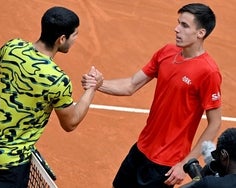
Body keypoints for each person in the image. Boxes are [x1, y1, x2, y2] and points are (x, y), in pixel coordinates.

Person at [82, 3, 221, 188]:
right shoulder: (166, 52)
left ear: (201, 33)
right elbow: (131, 85)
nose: (176, 29)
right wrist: (98, 84)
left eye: (185, 26)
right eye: (178, 23)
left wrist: (186, 163)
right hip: (141, 148)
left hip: (165, 164)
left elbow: (215, 122)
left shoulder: (208, 72)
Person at [0, 6, 102, 188]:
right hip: (11, 164)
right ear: (61, 39)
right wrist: (92, 88)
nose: (76, 39)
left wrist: (7, 103)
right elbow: (70, 123)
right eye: (75, 35)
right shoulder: (57, 80)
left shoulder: (12, 48)